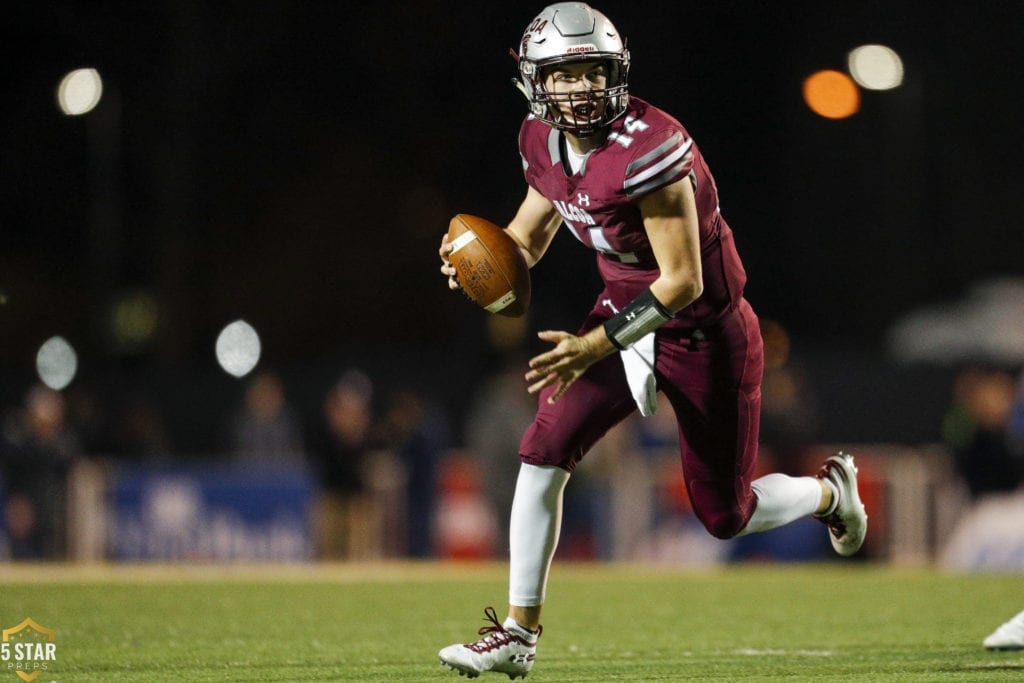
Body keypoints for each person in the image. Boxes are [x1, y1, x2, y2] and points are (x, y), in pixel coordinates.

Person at [436, 3, 867, 678]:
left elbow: (684, 282)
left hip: (703, 333)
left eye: (590, 72)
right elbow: (531, 231)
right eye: (564, 74)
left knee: (725, 513)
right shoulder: (541, 141)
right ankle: (518, 633)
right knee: (542, 450)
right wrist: (479, 257)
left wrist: (596, 345)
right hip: (621, 311)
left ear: (616, 72)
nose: (579, 88)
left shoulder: (649, 146)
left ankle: (830, 494)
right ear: (534, 82)